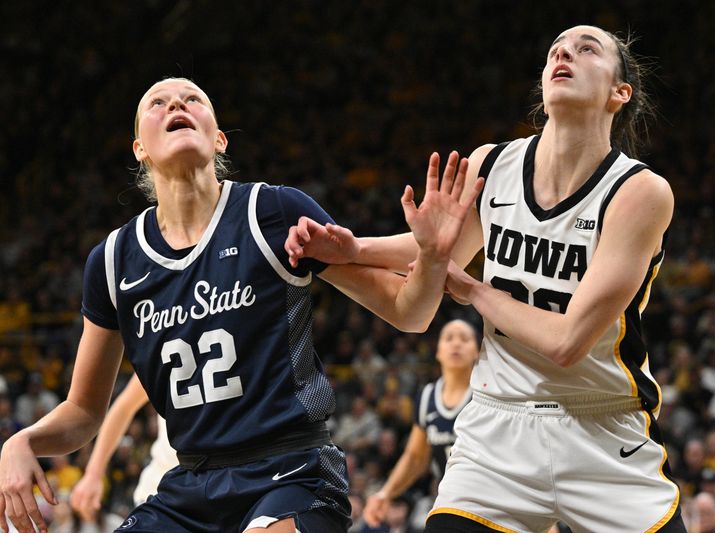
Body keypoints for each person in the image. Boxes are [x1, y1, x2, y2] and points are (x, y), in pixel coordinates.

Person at [0, 77, 482, 533]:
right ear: (139, 149)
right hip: (191, 483)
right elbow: (84, 411)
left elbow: (409, 312)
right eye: (158, 102)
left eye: (193, 99)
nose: (176, 105)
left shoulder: (272, 212)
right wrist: (23, 441)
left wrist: (433, 257)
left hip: (292, 468)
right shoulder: (111, 261)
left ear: (220, 140)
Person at [286, 25, 684, 532]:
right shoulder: (492, 164)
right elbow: (437, 253)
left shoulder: (640, 192)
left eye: (587, 49)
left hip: (604, 428)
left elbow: (566, 342)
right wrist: (354, 247)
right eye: (555, 50)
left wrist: (473, 289)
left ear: (618, 93)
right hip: (498, 425)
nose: (565, 53)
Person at [362, 319, 478, 528]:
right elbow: (415, 457)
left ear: (477, 351)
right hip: (449, 503)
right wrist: (385, 493)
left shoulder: (486, 394)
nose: (456, 344)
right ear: (438, 351)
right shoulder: (427, 397)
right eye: (449, 338)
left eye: (464, 339)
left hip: (489, 501)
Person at [70, 373, 177, 522]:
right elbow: (124, 408)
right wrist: (93, 474)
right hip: (161, 489)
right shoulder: (163, 351)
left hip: (213, 490)